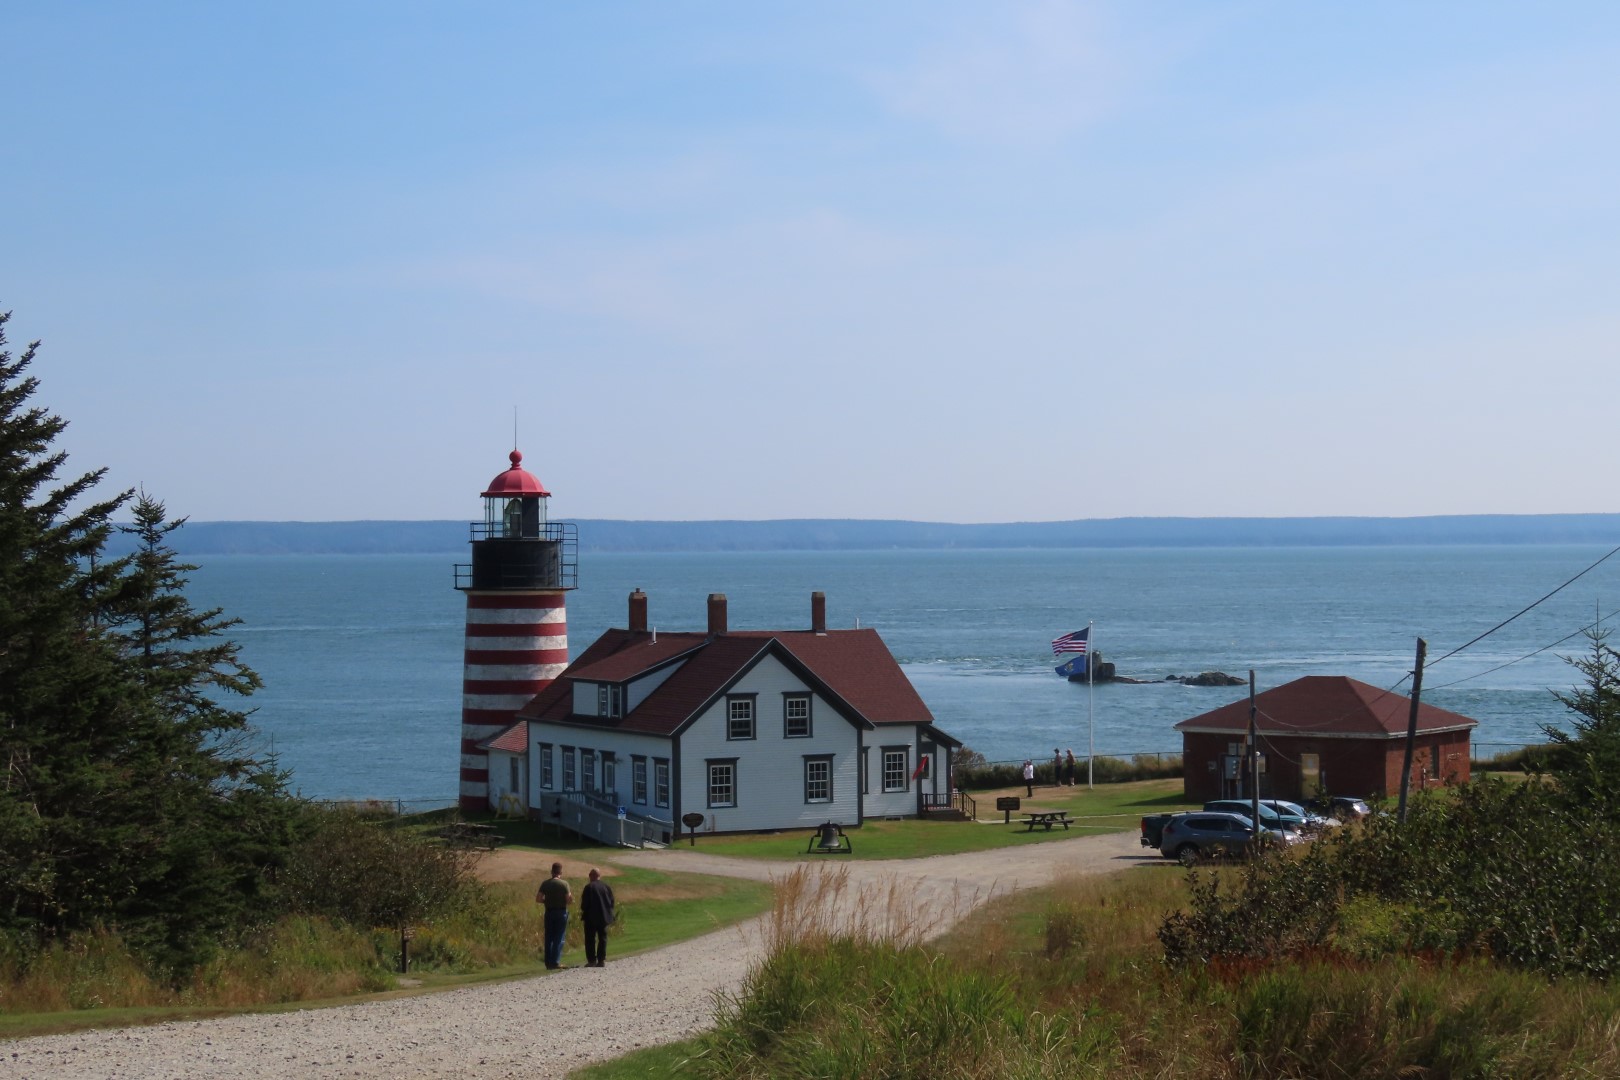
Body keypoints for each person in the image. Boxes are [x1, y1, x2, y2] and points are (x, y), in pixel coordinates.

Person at [535, 861, 572, 969]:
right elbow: (568, 899)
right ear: (561, 872)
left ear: (552, 871)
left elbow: (538, 898)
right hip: (561, 912)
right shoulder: (564, 884)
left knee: (549, 937)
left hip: (549, 911)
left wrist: (546, 901)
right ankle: (555, 961)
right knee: (559, 937)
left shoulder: (545, 884)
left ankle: (548, 962)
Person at [579, 867, 616, 968]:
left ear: (593, 876)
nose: (589, 877)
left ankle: (591, 960)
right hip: (604, 917)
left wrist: (584, 911)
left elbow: (584, 904)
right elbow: (611, 902)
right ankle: (601, 959)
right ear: (599, 876)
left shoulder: (589, 887)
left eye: (590, 875)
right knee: (602, 938)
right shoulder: (606, 887)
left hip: (591, 917)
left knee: (590, 939)